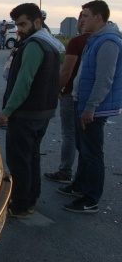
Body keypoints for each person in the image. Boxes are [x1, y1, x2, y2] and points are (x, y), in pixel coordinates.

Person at [0, 3, 62, 218]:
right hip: (42, 112)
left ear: (37, 22)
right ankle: (30, 199)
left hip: (26, 114)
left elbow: (24, 83)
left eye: (23, 24)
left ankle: (21, 204)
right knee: (31, 158)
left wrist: (7, 110)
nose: (19, 30)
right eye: (17, 25)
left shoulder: (34, 45)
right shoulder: (51, 44)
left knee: (19, 160)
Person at [59, 0, 122, 214]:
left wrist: (91, 108)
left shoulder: (108, 42)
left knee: (93, 153)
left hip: (94, 108)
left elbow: (104, 79)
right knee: (83, 148)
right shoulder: (94, 40)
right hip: (82, 102)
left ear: (98, 17)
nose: (81, 19)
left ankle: (90, 199)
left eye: (85, 15)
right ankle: (79, 185)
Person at [44, 12, 91, 184]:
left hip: (71, 93)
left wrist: (57, 89)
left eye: (83, 18)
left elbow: (66, 71)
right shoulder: (101, 41)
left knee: (69, 134)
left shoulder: (77, 42)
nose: (81, 22)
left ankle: (65, 171)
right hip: (91, 98)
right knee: (87, 139)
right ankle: (83, 178)